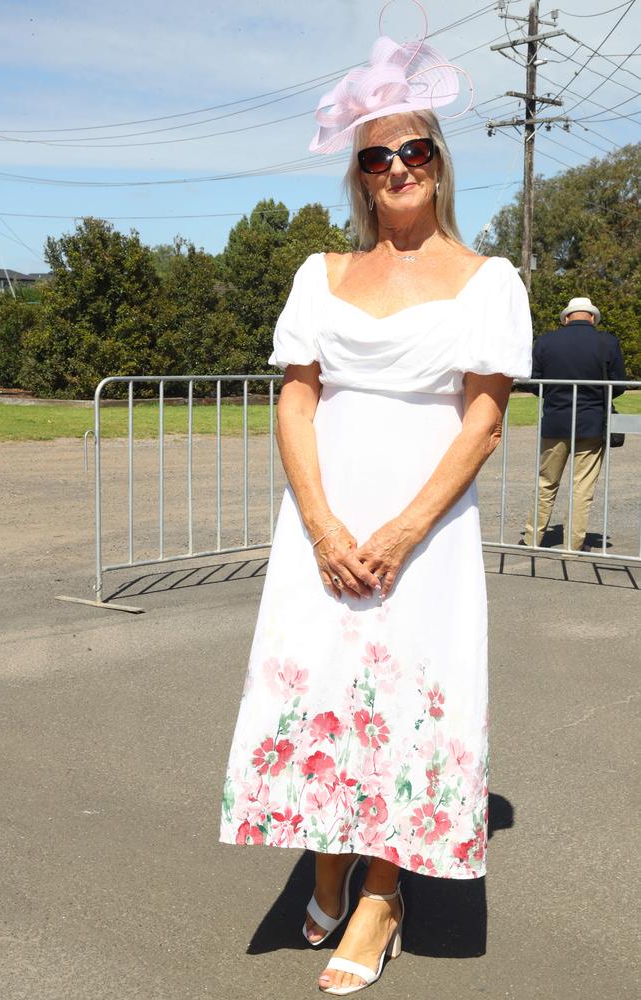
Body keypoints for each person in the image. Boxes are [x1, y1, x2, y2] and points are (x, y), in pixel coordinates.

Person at [219, 20, 532, 997]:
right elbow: (295, 392)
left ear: (437, 162)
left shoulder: (490, 281)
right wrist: (318, 521)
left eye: (414, 149)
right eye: (376, 155)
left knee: (398, 700)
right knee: (318, 686)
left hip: (422, 529)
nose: (396, 166)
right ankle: (322, 861)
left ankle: (380, 896)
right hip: (321, 515)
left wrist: (399, 530)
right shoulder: (320, 274)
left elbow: (481, 422)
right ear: (357, 174)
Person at [520, 296, 626, 552]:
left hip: (556, 421)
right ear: (592, 317)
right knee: (582, 486)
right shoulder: (607, 342)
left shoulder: (546, 341)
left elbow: (534, 383)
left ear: (567, 317)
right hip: (592, 424)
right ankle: (573, 543)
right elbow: (619, 385)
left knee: (546, 482)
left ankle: (532, 538)